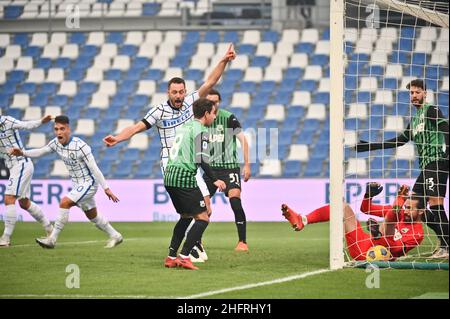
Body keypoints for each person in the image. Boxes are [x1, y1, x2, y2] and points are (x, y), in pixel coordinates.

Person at [103, 44, 236, 260]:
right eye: (175, 92)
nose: (179, 96)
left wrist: (224, 60)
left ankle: (188, 247)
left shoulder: (191, 103)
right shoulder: (159, 111)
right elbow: (137, 127)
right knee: (201, 212)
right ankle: (189, 249)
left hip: (191, 161)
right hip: (172, 163)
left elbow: (210, 82)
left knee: (201, 211)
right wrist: (118, 138)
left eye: (182, 92)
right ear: (168, 92)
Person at [355, 79, 449, 258]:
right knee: (416, 207)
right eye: (411, 93)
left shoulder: (431, 110)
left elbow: (446, 128)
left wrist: (448, 153)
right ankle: (445, 242)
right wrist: (371, 146)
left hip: (437, 162)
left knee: (436, 205)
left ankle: (447, 245)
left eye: (417, 92)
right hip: (426, 166)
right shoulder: (414, 120)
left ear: (425, 93)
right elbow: (400, 140)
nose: (414, 96)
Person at [9, 115, 122, 249]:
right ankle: (115, 235)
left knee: (65, 202)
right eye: (56, 129)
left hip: (89, 183)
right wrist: (22, 153)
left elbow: (94, 168)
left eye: (62, 129)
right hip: (77, 184)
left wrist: (106, 188)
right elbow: (41, 151)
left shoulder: (81, 146)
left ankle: (52, 239)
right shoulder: (56, 143)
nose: (59, 132)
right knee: (93, 216)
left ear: (69, 129)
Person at [281, 182, 425, 261]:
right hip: (363, 243)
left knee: (389, 222)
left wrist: (380, 235)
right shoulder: (399, 211)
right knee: (342, 207)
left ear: (421, 211)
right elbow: (366, 209)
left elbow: (396, 250)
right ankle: (302, 220)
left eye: (410, 209)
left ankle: (378, 232)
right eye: (405, 206)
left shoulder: (418, 234)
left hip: (379, 255)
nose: (405, 211)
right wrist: (368, 195)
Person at [163, 98, 226, 270]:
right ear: (206, 113)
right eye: (213, 113)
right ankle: (184, 256)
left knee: (185, 217)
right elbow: (201, 159)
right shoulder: (201, 131)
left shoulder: (185, 127)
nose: (214, 117)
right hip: (183, 175)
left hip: (169, 175)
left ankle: (170, 257)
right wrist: (216, 179)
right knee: (203, 218)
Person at [201, 88, 251, 252]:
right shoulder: (200, 120)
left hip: (229, 168)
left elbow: (243, 140)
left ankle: (242, 241)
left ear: (219, 102)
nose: (213, 104)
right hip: (210, 170)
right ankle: (197, 241)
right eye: (210, 102)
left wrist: (247, 165)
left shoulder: (228, 118)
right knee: (201, 206)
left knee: (235, 199)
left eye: (215, 102)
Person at [0, 114, 53, 247]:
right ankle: (49, 228)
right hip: (14, 166)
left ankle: (5, 238)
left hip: (21, 163)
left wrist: (41, 121)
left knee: (9, 198)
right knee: (24, 203)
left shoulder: (7, 121)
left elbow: (26, 125)